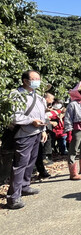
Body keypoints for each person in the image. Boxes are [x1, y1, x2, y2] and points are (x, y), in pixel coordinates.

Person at [6, 70, 48, 209]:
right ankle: (13, 197)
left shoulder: (37, 95)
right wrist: (31, 121)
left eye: (38, 78)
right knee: (20, 164)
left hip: (36, 133)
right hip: (23, 134)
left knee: (31, 162)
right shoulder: (17, 94)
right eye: (34, 78)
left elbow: (42, 114)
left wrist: (43, 130)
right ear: (25, 80)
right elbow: (14, 116)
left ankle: (25, 186)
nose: (37, 81)